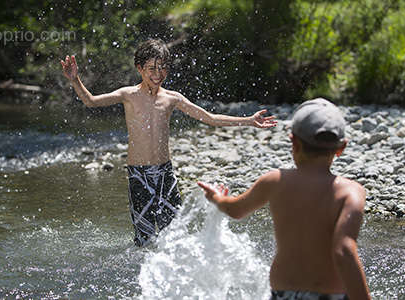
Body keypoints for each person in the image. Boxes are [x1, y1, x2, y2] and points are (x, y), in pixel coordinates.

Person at [60, 38, 277, 247]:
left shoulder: (172, 98)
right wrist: (74, 79)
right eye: (152, 68)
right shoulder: (128, 95)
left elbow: (209, 118)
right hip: (139, 175)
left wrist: (249, 121)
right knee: (144, 239)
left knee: (174, 235)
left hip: (165, 174)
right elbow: (91, 101)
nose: (158, 74)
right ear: (139, 69)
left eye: (162, 68)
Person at [198, 98, 371, 300]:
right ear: (341, 148)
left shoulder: (275, 181)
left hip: (282, 294)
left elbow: (235, 210)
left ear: (293, 142)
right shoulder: (351, 192)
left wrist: (216, 197)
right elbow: (343, 251)